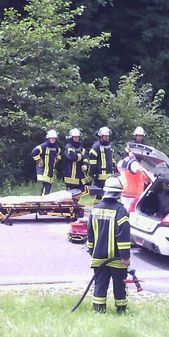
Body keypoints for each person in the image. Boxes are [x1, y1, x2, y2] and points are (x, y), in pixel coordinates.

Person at [86, 176, 131, 314]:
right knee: (119, 285)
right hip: (117, 258)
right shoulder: (121, 211)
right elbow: (123, 237)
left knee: (100, 285)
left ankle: (98, 310)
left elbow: (90, 233)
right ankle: (121, 310)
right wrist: (125, 257)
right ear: (118, 193)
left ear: (105, 191)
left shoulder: (95, 209)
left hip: (99, 257)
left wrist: (91, 250)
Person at [31, 129, 62, 194]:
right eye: (52, 138)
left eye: (54, 138)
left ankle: (44, 199)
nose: (53, 139)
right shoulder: (43, 146)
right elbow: (34, 152)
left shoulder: (56, 148)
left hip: (50, 172)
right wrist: (39, 160)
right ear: (48, 138)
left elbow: (59, 154)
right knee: (45, 189)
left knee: (48, 189)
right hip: (43, 171)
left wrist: (56, 160)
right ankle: (42, 199)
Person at [88, 126, 116, 198]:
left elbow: (112, 158)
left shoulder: (110, 146)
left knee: (108, 194)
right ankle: (97, 204)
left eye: (108, 136)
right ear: (101, 136)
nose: (107, 138)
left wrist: (114, 167)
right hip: (100, 176)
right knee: (99, 194)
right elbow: (92, 160)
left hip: (109, 175)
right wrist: (94, 173)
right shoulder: (96, 146)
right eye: (105, 136)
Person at [63, 128, 88, 193]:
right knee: (70, 195)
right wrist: (82, 155)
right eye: (75, 137)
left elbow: (86, 158)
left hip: (80, 176)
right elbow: (73, 158)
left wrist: (85, 164)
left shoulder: (81, 147)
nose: (77, 138)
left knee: (80, 194)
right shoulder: (68, 147)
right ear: (71, 138)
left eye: (78, 137)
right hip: (70, 176)